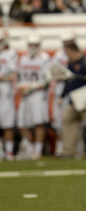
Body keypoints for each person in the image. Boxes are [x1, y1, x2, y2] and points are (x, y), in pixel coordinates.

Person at [16, 33, 51, 160]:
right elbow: (19, 76)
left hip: (38, 94)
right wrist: (21, 86)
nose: (33, 47)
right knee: (21, 123)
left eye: (35, 44)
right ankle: (30, 149)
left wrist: (31, 87)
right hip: (25, 95)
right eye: (31, 44)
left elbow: (47, 79)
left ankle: (38, 150)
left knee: (38, 123)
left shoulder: (44, 57)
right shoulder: (23, 58)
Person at [0, 30, 17, 160]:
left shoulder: (11, 54)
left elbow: (13, 75)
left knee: (8, 123)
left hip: (5, 91)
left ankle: (9, 151)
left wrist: (4, 77)